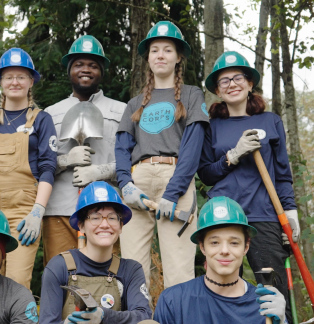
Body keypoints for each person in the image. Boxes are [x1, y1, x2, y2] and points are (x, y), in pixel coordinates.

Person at [198, 51, 299, 324]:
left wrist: (290, 214)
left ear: (250, 83)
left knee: (274, 291)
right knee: (223, 290)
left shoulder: (270, 121)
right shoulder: (211, 126)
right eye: (224, 81)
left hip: (265, 214)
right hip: (223, 215)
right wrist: (233, 155)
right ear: (218, 90)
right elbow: (206, 173)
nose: (232, 84)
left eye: (238, 77)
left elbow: (282, 174)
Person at [115, 20, 208, 288]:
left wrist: (173, 192)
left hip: (175, 180)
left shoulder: (191, 95)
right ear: (148, 58)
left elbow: (192, 146)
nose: (161, 55)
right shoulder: (135, 103)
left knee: (178, 269)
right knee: (133, 270)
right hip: (138, 181)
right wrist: (125, 185)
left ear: (178, 57)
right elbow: (122, 147)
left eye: (168, 50)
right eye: (155, 50)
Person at [0, 47, 58, 290]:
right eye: (9, 77)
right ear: (1, 81)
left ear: (31, 81)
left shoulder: (41, 119)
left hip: (23, 211)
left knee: (17, 283)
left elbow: (49, 167)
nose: (15, 82)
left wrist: (37, 212)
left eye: (21, 76)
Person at [43, 35, 126, 263]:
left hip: (106, 211)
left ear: (102, 71)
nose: (85, 70)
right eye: (79, 64)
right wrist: (64, 161)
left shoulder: (122, 111)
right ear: (69, 70)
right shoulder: (51, 113)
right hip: (61, 209)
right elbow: (40, 164)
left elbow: (132, 162)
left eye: (93, 65)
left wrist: (102, 172)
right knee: (61, 274)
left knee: (107, 279)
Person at [153, 197, 287, 324]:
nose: (224, 250)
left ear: (246, 247)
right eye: (215, 242)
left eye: (234, 243)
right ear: (202, 247)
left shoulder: (264, 308)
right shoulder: (174, 301)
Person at [39, 181, 151, 324]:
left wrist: (104, 315)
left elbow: (144, 317)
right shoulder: (59, 266)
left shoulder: (130, 270)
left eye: (112, 218)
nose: (104, 224)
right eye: (95, 218)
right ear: (81, 226)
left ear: (121, 226)